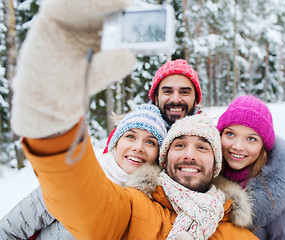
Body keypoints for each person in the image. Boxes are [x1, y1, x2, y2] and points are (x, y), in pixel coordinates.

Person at [9, 0, 258, 238]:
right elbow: (78, 192)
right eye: (179, 145)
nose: (175, 99)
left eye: (185, 92)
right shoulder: (133, 204)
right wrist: (50, 113)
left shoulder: (228, 220)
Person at [0, 104, 167, 240]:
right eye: (130, 136)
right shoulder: (79, 177)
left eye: (150, 142)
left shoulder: (154, 204)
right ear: (116, 143)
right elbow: (12, 229)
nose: (138, 147)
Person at [216, 95, 285, 239]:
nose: (237, 146)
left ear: (263, 146)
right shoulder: (205, 177)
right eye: (230, 134)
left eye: (251, 139)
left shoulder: (276, 197)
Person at [149, 59, 202, 126]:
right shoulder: (135, 133)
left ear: (196, 99)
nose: (175, 100)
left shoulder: (211, 135)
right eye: (167, 91)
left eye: (184, 92)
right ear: (156, 99)